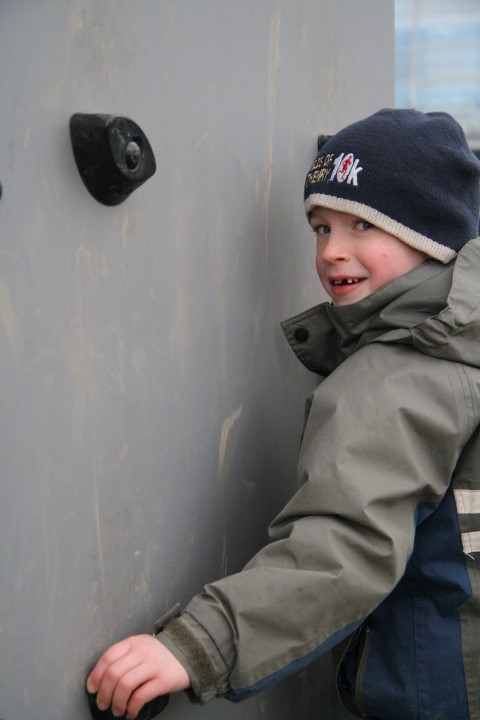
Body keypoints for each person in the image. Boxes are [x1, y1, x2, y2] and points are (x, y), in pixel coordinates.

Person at [86, 109, 480, 720]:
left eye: (362, 224)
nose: (332, 252)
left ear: (429, 236)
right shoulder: (462, 348)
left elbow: (343, 549)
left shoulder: (396, 377)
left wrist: (202, 644)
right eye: (320, 228)